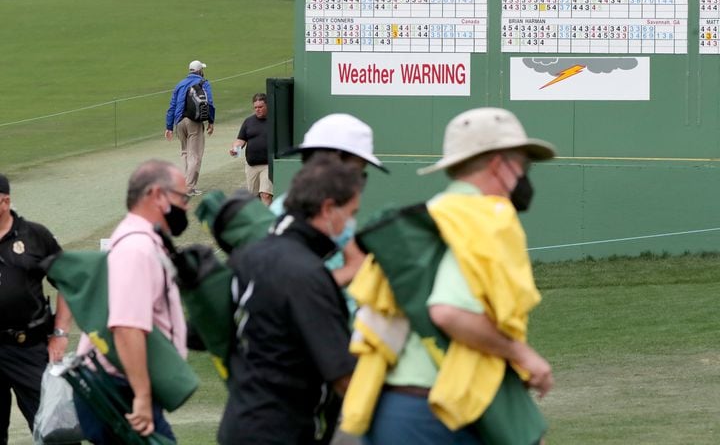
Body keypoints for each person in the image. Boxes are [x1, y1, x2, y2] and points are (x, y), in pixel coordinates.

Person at [343, 108, 556, 445]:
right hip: (443, 413)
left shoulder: (423, 221)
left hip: (390, 409)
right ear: (499, 165)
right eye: (523, 165)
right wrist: (523, 355)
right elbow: (448, 312)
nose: (524, 176)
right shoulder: (488, 219)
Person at [218, 154, 364, 444]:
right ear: (328, 209)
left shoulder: (252, 254)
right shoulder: (305, 272)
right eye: (350, 212)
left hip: (242, 421)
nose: (351, 223)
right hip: (281, 431)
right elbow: (343, 376)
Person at [73, 159, 190, 443]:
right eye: (182, 198)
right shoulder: (137, 249)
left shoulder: (141, 241)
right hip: (118, 390)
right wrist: (142, 395)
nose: (186, 207)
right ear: (156, 195)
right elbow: (126, 326)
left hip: (120, 386)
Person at [270, 113, 388, 287]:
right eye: (355, 172)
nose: (357, 182)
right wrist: (350, 271)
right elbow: (288, 290)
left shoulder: (333, 213)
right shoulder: (281, 218)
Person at [0, 173, 73, 445]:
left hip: (27, 347)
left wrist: (61, 333)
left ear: (5, 201)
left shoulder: (35, 236)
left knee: (55, 431)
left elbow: (68, 281)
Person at [165, 60, 215, 196]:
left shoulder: (180, 84)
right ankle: (189, 187)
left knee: (185, 153)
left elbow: (172, 106)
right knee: (195, 155)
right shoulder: (204, 83)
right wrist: (211, 121)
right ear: (200, 71)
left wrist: (169, 126)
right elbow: (209, 103)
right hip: (194, 122)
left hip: (179, 122)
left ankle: (184, 184)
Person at [230, 93, 273, 205]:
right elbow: (241, 140)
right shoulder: (248, 121)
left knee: (266, 194)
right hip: (251, 166)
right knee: (253, 199)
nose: (257, 110)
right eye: (255, 107)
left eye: (260, 107)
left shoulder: (275, 121)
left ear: (267, 106)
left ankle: (266, 221)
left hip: (268, 165)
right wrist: (235, 148)